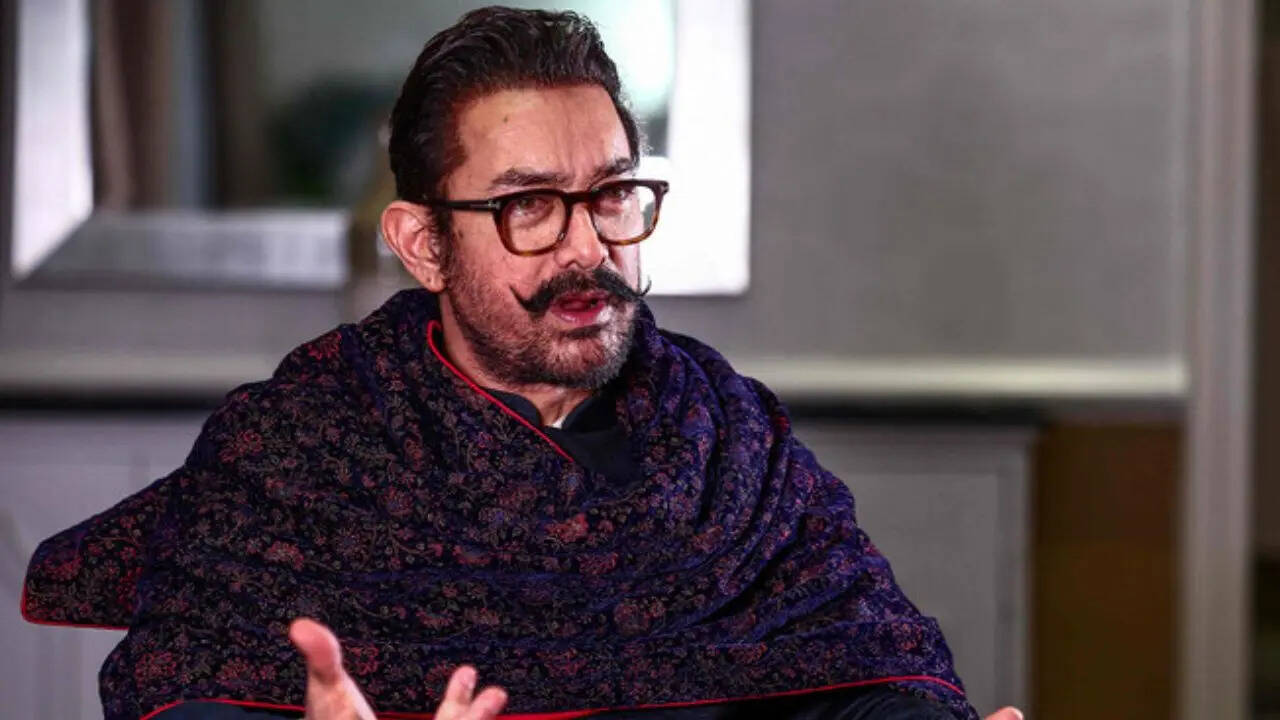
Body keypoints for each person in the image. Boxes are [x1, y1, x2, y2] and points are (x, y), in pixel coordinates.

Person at [22, 7, 1023, 720]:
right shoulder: (297, 443)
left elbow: (868, 670)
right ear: (423, 244)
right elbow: (185, 688)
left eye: (612, 194)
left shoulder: (730, 437)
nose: (587, 247)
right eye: (528, 205)